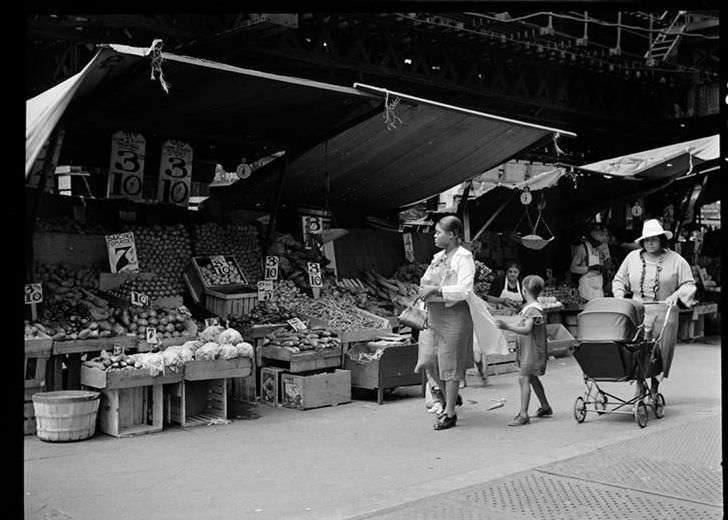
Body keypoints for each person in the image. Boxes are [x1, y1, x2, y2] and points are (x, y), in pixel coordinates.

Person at [612, 219, 696, 398]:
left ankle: (655, 386)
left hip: (664, 312)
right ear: (642, 241)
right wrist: (620, 296)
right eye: (647, 239)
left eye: (654, 239)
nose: (650, 243)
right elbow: (619, 280)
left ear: (661, 240)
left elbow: (688, 284)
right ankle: (640, 385)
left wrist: (675, 296)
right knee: (637, 349)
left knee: (658, 351)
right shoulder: (632, 258)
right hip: (637, 311)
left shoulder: (676, 260)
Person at [416, 216, 475, 430]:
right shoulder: (438, 257)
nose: (435, 235)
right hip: (434, 316)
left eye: (438, 232)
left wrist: (438, 290)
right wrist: (424, 289)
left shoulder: (464, 257)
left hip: (455, 315)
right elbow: (426, 280)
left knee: (450, 365)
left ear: (452, 235)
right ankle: (452, 395)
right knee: (428, 360)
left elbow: (465, 289)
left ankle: (450, 414)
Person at [495, 275, 552, 426]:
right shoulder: (531, 307)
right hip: (530, 350)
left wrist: (507, 327)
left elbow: (527, 330)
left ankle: (524, 414)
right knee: (532, 378)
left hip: (531, 351)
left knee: (524, 378)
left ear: (524, 290)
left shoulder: (532, 309)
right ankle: (545, 406)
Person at [570, 222, 609, 301]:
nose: (599, 244)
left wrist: (605, 267)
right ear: (591, 239)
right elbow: (573, 268)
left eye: (600, 242)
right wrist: (590, 268)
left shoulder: (602, 247)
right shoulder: (582, 248)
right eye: (597, 242)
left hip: (599, 285)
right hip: (586, 286)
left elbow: (606, 263)